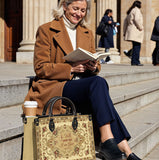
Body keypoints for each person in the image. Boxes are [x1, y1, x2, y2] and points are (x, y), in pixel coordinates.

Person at [23, 0, 141, 159]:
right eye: (75, 8)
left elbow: (95, 61)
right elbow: (40, 67)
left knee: (99, 86)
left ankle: (125, 150)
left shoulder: (87, 32)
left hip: (81, 84)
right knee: (99, 85)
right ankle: (114, 144)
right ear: (64, 6)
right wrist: (70, 68)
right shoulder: (46, 30)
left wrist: (93, 67)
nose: (79, 13)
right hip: (55, 85)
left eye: (83, 10)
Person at [123, 1, 144, 66]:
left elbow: (125, 22)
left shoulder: (130, 11)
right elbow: (137, 19)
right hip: (136, 30)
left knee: (135, 46)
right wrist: (140, 27)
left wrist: (124, 32)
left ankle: (134, 61)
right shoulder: (136, 10)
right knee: (137, 46)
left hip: (131, 30)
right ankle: (136, 61)